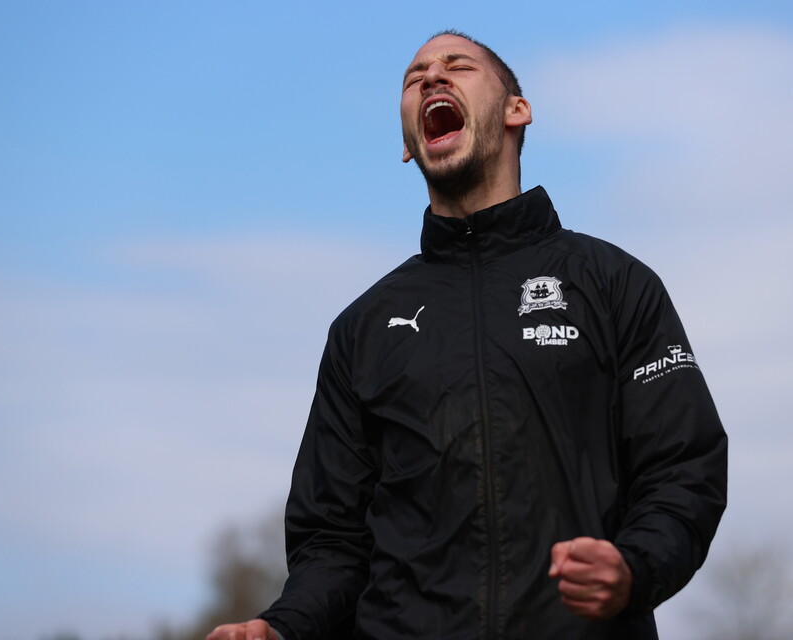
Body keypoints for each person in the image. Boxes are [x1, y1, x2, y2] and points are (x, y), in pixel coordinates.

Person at [207, 30, 727, 640]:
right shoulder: (363, 328)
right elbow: (333, 540)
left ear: (516, 110)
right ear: (409, 144)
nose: (431, 77)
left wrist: (634, 569)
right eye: (413, 77)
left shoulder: (615, 285)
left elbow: (683, 470)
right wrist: (283, 627)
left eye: (458, 66)